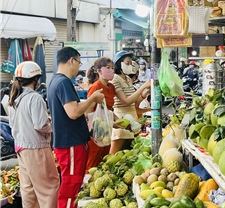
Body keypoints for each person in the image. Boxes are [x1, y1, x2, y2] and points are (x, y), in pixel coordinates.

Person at [47, 47, 105, 208]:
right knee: (71, 186)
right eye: (79, 62)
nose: (79, 67)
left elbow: (70, 111)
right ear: (71, 60)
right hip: (70, 144)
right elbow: (73, 112)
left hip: (69, 143)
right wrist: (93, 98)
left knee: (74, 184)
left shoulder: (55, 81)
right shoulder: (63, 82)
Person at [8, 61, 60, 208]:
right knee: (49, 187)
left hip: (21, 148)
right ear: (36, 79)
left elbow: (15, 124)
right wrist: (53, 126)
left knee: (28, 189)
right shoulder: (35, 98)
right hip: (36, 149)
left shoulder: (14, 99)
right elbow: (40, 125)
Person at [111, 51, 151, 154]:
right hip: (122, 121)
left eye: (130, 63)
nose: (129, 66)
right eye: (127, 63)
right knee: (115, 155)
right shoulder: (115, 79)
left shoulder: (128, 79)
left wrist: (145, 93)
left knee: (128, 154)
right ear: (119, 64)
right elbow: (126, 101)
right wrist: (143, 86)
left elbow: (134, 101)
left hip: (132, 121)